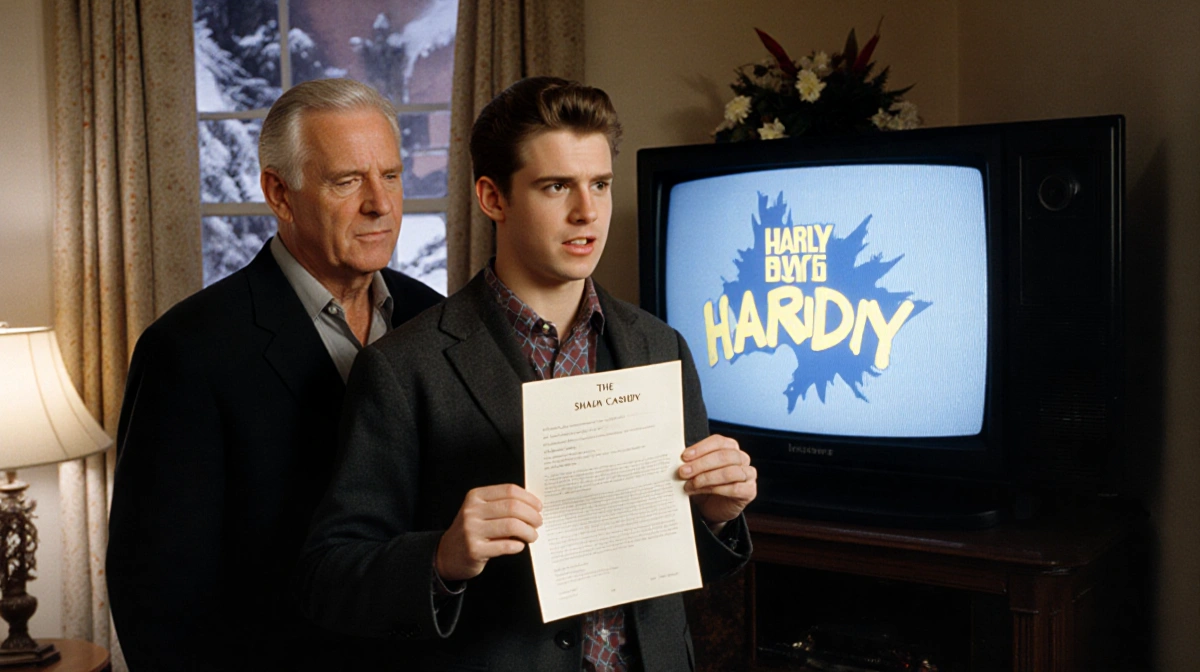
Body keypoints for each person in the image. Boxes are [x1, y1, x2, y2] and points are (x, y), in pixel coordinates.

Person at [296, 76, 758, 671]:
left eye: (599, 184)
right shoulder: (402, 366)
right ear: (493, 198)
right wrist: (442, 557)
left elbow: (682, 564)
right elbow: (328, 576)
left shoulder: (658, 345)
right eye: (556, 185)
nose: (586, 211)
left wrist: (719, 516)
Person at [106, 78, 443, 671]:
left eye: (390, 175)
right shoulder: (186, 351)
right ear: (279, 194)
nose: (381, 203)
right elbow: (155, 601)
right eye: (347, 180)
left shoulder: (434, 317)